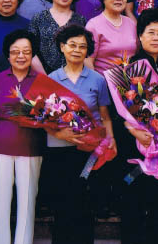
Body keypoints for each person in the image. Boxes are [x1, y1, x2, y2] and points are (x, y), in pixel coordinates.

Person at [115, 9, 158, 244]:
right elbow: (116, 112)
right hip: (134, 150)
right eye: (151, 32)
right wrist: (134, 130)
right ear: (140, 36)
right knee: (133, 209)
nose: (156, 38)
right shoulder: (128, 69)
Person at [44, 24, 115, 244]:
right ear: (62, 47)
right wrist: (59, 134)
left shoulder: (97, 80)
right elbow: (42, 119)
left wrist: (111, 140)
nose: (77, 50)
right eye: (72, 45)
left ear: (88, 51)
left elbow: (105, 116)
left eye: (82, 46)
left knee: (85, 205)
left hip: (89, 152)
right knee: (62, 206)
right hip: (59, 151)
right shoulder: (51, 79)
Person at [0, 30, 44, 244]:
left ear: (32, 54)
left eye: (26, 51)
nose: (21, 56)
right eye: (15, 52)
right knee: (0, 203)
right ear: (8, 54)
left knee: (27, 204)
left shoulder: (42, 82)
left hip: (31, 149)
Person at [29, 0, 87, 73]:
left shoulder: (81, 21)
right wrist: (46, 79)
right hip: (44, 77)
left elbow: (86, 53)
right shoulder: (38, 18)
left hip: (75, 77)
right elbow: (30, 50)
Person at [85, 0, 137, 73]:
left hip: (131, 81)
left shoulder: (131, 24)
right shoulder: (93, 26)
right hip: (103, 81)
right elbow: (88, 62)